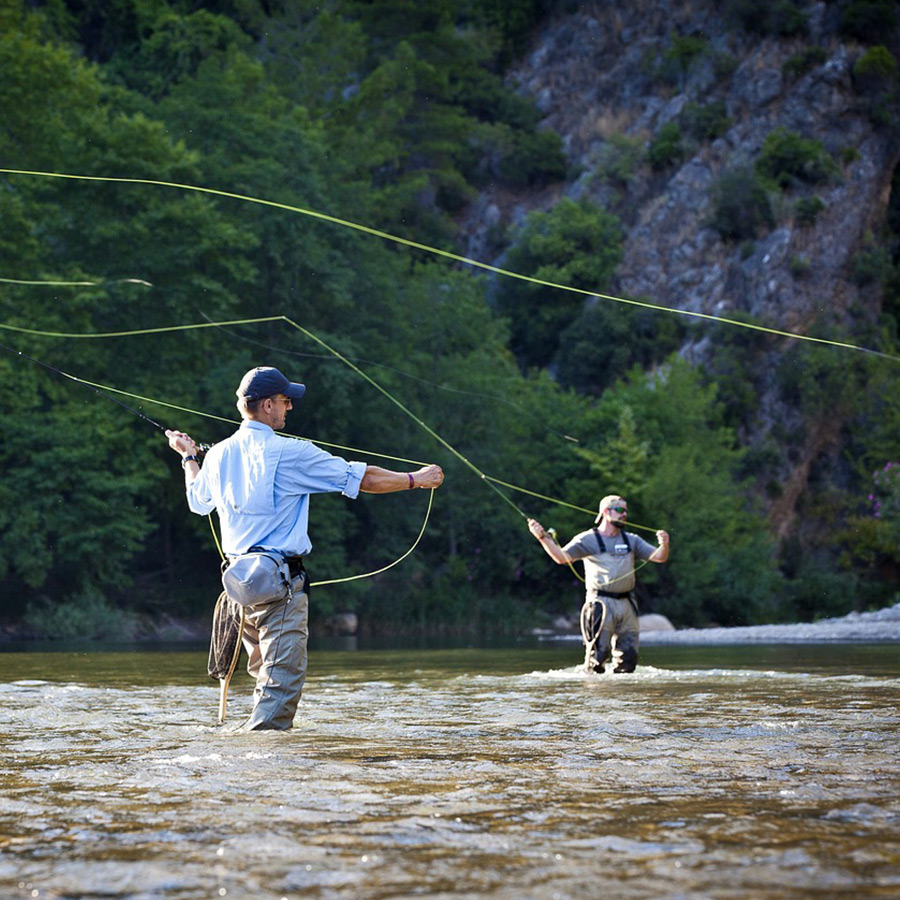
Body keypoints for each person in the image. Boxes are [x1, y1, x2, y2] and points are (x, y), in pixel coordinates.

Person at [166, 366, 444, 730]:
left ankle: (250, 760)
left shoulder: (216, 455)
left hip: (241, 590)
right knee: (281, 686)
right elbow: (362, 479)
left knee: (265, 678)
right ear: (267, 405)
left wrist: (189, 459)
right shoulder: (291, 452)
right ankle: (265, 767)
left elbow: (197, 502)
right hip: (280, 586)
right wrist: (416, 480)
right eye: (285, 401)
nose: (289, 408)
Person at [527, 494, 669, 674]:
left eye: (625, 510)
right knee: (597, 658)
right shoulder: (588, 539)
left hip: (627, 604)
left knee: (629, 660)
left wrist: (664, 544)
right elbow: (561, 558)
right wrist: (542, 537)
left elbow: (659, 557)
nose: (624, 514)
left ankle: (627, 699)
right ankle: (595, 696)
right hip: (600, 603)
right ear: (605, 512)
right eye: (619, 509)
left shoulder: (631, 539)